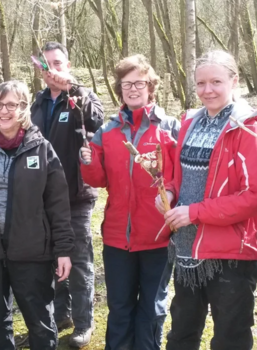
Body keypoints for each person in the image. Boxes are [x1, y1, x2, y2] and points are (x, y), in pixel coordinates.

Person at [156, 50, 257, 350]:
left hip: (232, 253)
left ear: (235, 81)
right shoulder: (189, 122)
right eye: (200, 83)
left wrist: (195, 212)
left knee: (229, 339)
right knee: (181, 334)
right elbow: (179, 176)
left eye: (216, 82)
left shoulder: (248, 126)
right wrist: (169, 194)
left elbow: (256, 197)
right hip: (187, 250)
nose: (207, 90)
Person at [0, 80, 74, 350]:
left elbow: (58, 205)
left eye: (12, 104)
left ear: (23, 108)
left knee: (40, 321)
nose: (4, 110)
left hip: (32, 251)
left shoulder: (41, 148)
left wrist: (64, 250)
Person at [80, 54, 180, 350]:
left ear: (151, 87)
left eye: (140, 83)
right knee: (120, 309)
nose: (133, 89)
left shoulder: (169, 128)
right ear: (119, 89)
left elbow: (178, 178)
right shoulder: (107, 131)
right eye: (127, 84)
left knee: (151, 311)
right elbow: (98, 179)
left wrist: (171, 195)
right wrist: (87, 162)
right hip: (116, 238)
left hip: (158, 237)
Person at [30, 41, 104, 348]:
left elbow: (98, 121)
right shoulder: (36, 103)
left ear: (68, 66)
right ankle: (61, 314)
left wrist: (74, 89)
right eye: (46, 65)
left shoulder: (82, 97)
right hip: (41, 198)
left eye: (58, 63)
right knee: (51, 260)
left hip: (75, 196)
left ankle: (84, 323)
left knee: (79, 262)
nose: (52, 70)